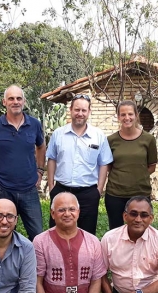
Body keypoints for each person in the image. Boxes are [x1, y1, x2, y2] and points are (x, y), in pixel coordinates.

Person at [0, 85, 46, 241]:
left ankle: (36, 265)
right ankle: (6, 265)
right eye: (11, 98)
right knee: (3, 234)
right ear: (4, 102)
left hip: (29, 190)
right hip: (4, 189)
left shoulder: (34, 124)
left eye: (19, 98)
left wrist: (40, 170)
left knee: (38, 235)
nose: (15, 102)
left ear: (24, 101)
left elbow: (41, 146)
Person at [46, 94, 113, 235]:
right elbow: (51, 159)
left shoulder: (98, 136)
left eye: (83, 110)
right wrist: (52, 187)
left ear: (89, 112)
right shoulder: (58, 134)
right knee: (57, 232)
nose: (80, 114)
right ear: (70, 110)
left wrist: (98, 190)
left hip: (88, 194)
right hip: (61, 191)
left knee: (86, 234)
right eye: (77, 110)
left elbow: (104, 164)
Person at [105, 100, 157, 230]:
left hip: (140, 193)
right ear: (118, 117)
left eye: (130, 114)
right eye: (123, 115)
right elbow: (109, 167)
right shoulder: (110, 140)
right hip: (115, 194)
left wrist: (137, 176)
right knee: (116, 231)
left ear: (136, 116)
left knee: (140, 230)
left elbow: (152, 166)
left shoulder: (148, 139)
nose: (127, 118)